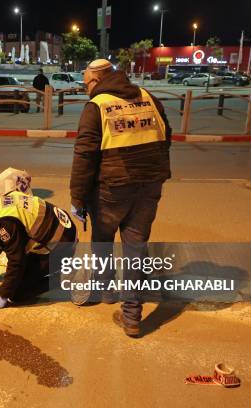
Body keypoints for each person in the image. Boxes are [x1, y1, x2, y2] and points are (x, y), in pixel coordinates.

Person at [69, 59, 172, 338]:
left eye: (86, 82)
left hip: (112, 189)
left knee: (103, 238)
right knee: (136, 247)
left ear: (97, 80)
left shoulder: (97, 105)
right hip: (149, 185)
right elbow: (167, 136)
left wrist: (77, 198)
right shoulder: (147, 97)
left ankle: (104, 289)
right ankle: (132, 317)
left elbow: (85, 155)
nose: (85, 87)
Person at [0, 191, 77, 310]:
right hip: (63, 231)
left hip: (61, 247)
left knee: (16, 293)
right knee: (12, 282)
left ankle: (66, 276)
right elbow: (2, 238)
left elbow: (16, 261)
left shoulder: (5, 223)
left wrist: (4, 296)